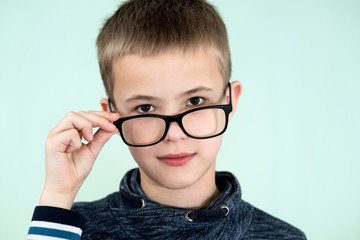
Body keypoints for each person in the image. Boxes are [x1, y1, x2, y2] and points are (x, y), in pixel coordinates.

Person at [27, 0, 306, 239]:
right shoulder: (65, 226)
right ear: (111, 114)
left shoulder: (282, 236)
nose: (174, 134)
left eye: (195, 101)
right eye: (146, 107)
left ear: (229, 101)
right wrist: (57, 195)